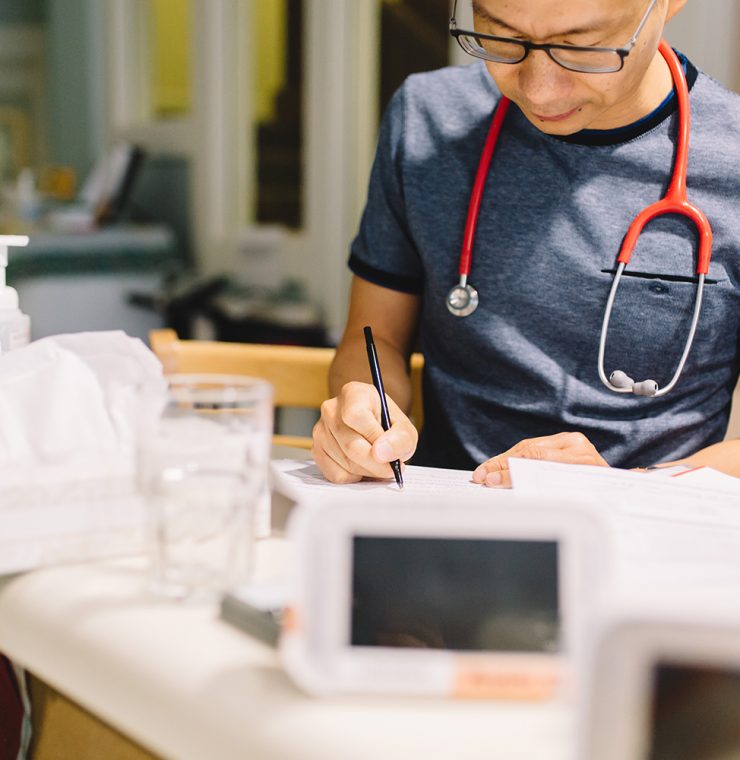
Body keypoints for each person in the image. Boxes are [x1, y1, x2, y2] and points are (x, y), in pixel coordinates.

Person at [312, 0, 740, 486]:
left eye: (581, 47)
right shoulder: (429, 117)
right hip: (443, 509)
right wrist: (363, 412)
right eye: (503, 38)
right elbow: (374, 339)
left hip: (648, 528)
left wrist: (630, 486)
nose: (539, 89)